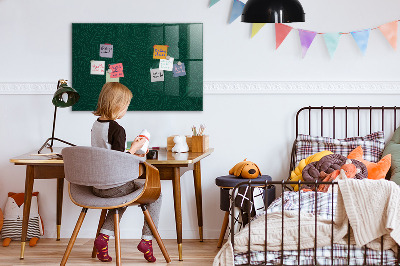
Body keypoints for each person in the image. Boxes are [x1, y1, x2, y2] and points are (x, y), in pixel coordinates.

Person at [91, 82, 161, 263]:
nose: (126, 110)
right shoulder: (117, 129)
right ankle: (147, 240)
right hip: (114, 186)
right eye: (126, 106)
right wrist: (136, 148)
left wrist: (130, 150)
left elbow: (108, 154)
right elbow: (119, 161)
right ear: (117, 105)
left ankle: (103, 238)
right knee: (156, 194)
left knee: (121, 197)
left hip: (97, 186)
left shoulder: (96, 125)